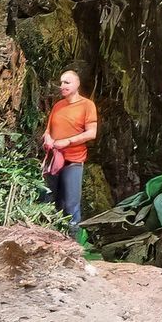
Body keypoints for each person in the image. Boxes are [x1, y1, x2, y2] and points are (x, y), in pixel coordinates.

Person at [42, 70, 97, 231]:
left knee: (71, 207)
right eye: (61, 82)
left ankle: (74, 242)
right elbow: (48, 130)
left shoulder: (87, 105)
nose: (62, 86)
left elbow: (91, 133)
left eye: (67, 82)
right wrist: (48, 139)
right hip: (53, 162)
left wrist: (67, 141)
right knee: (50, 203)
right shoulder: (58, 106)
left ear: (77, 84)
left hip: (73, 161)